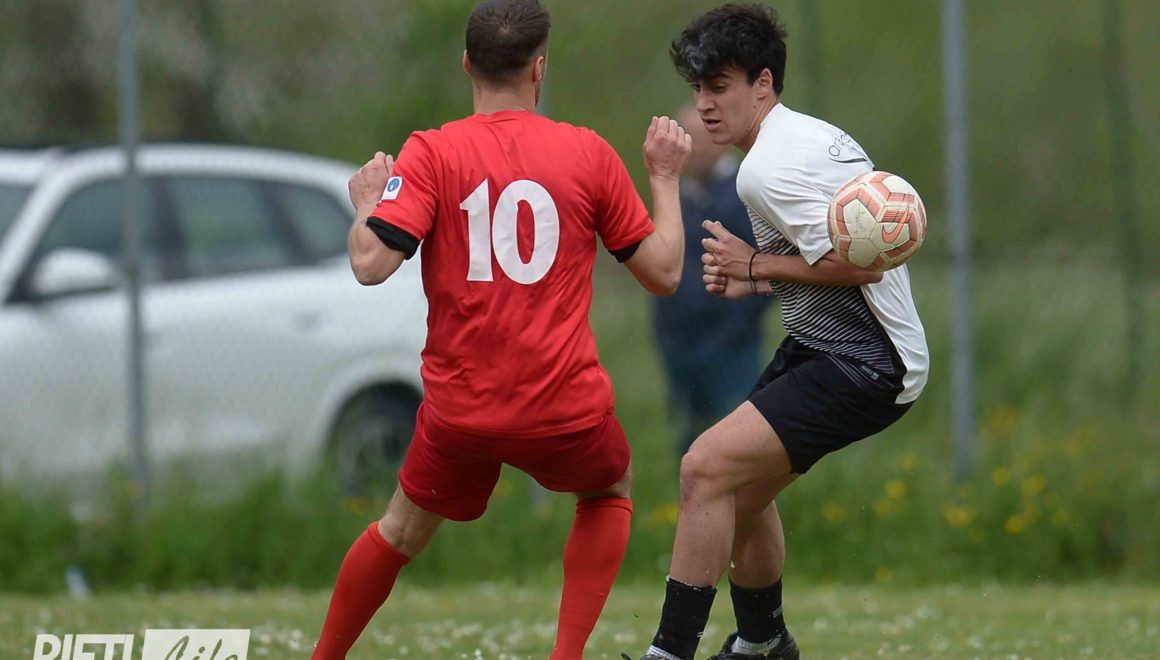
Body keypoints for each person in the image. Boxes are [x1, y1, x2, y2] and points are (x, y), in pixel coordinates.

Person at [309, 1, 692, 658]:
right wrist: (664, 177)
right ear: (539, 68)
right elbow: (663, 272)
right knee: (608, 489)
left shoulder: (432, 152)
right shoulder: (587, 152)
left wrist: (369, 204)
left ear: (467, 64)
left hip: (461, 410)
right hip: (561, 405)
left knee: (399, 531)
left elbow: (370, 264)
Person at [632, 5, 928, 660]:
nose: (704, 105)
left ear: (762, 83)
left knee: (704, 468)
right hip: (835, 347)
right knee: (738, 492)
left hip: (867, 362)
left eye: (720, 87)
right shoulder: (809, 137)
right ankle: (764, 642)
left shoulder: (766, 170)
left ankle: (670, 652)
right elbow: (844, 258)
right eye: (698, 88)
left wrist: (755, 265)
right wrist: (762, 281)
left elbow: (861, 265)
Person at [653, 105, 772, 456]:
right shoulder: (678, 198)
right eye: (688, 139)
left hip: (731, 348)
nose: (697, 149)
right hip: (679, 343)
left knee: (736, 442)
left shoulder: (743, 195)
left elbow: (766, 268)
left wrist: (731, 331)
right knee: (691, 437)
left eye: (703, 138)